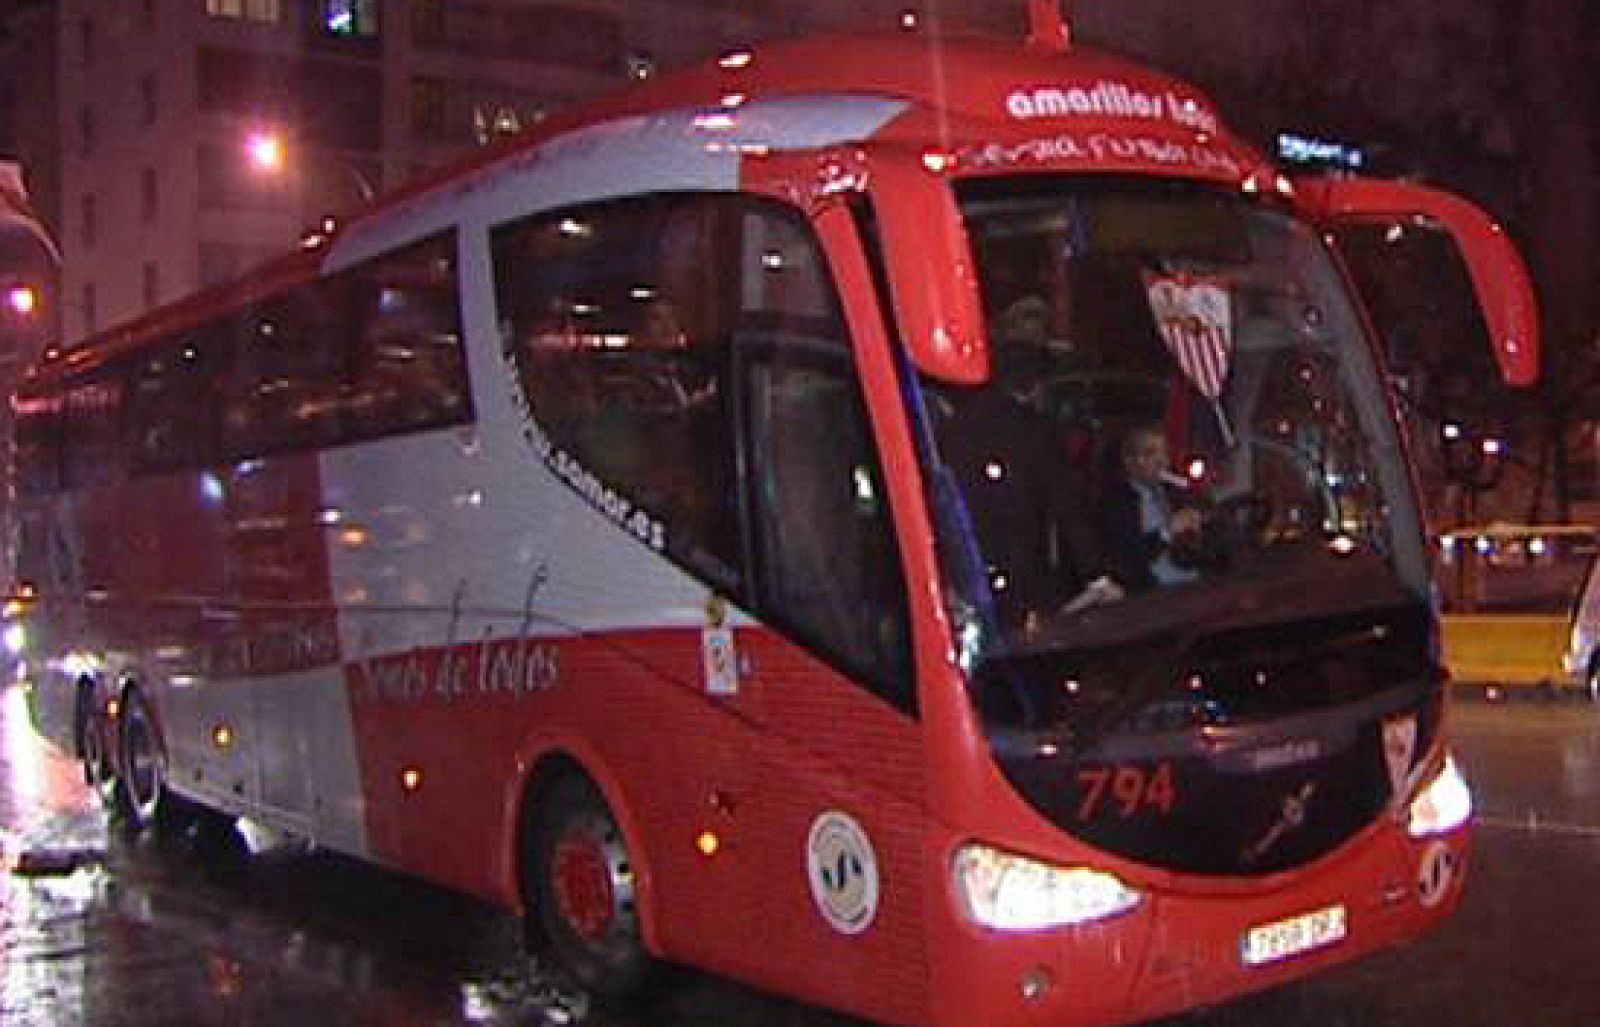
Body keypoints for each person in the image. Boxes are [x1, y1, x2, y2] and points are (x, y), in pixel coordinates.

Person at [1095, 423, 1204, 594]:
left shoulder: (1174, 492)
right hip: (1150, 591)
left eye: (1164, 453)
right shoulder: (1117, 503)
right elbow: (1127, 558)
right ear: (1129, 461)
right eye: (1151, 453)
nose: (1161, 462)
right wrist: (1167, 532)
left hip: (1190, 581)